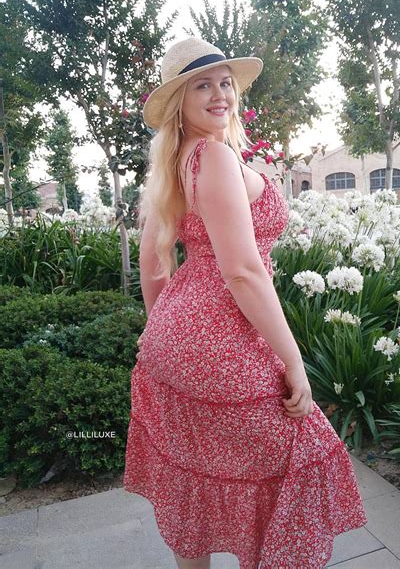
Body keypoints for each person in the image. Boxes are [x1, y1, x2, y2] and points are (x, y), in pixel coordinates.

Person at [123, 37, 367, 569]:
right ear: (180, 102)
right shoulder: (211, 156)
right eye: (202, 86)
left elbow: (152, 264)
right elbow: (243, 270)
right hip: (223, 341)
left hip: (174, 341)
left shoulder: (174, 162)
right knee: (294, 460)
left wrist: (163, 334)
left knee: (197, 476)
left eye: (225, 83)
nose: (219, 94)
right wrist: (293, 361)